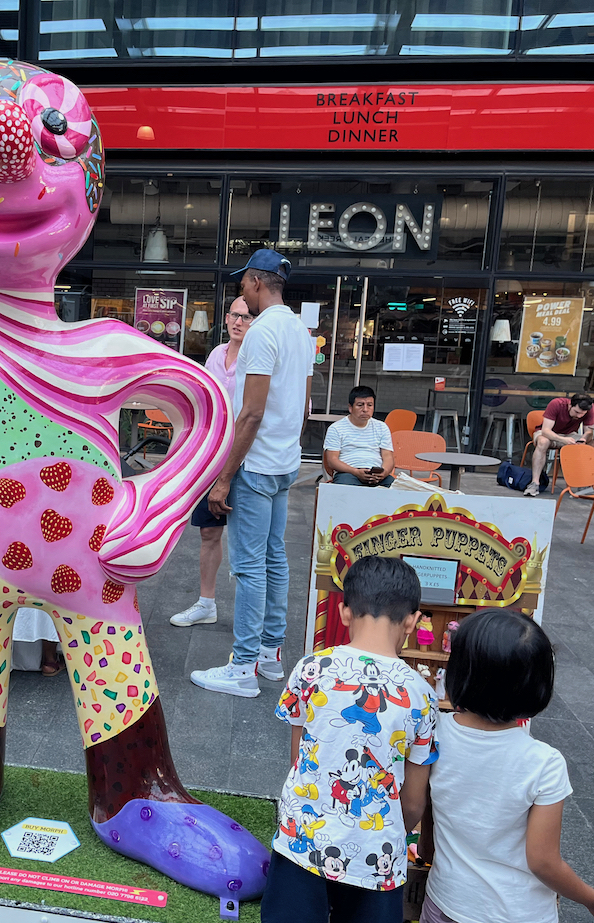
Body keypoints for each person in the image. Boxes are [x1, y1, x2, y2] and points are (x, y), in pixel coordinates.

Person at [261, 556, 438, 923]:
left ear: (343, 613)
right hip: (378, 856)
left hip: (302, 841)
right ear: (411, 620)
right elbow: (415, 802)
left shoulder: (311, 669)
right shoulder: (422, 695)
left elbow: (300, 758)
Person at [190, 249, 313, 697]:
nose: (241, 289)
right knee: (275, 559)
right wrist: (292, 449)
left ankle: (243, 667)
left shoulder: (262, 333)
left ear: (258, 283)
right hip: (285, 463)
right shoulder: (300, 330)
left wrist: (225, 475)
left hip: (257, 464)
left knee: (249, 567)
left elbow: (251, 414)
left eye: (244, 283)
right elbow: (304, 405)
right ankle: (270, 654)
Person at [420, 608, 594, 923]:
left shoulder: (435, 733)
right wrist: (589, 898)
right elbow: (542, 861)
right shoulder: (544, 763)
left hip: (446, 901)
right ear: (539, 685)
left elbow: (427, 809)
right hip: (518, 912)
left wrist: (426, 849)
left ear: (458, 672)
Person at [170, 296, 252, 627]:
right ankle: (206, 603)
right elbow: (206, 398)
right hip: (216, 452)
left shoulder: (257, 355)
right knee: (208, 531)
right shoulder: (217, 354)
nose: (237, 321)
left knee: (248, 537)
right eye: (234, 314)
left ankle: (250, 615)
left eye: (245, 317)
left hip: (248, 455)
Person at [524, 392, 594, 497]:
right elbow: (545, 431)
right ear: (570, 405)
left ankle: (585, 483)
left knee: (591, 443)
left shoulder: (589, 408)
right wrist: (562, 440)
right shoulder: (556, 404)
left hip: (570, 435)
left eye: (582, 414)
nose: (579, 416)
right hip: (550, 433)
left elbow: (589, 432)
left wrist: (583, 439)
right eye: (576, 412)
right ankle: (534, 483)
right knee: (543, 442)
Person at [324, 385, 395, 487]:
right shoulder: (336, 428)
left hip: (376, 474)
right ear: (350, 408)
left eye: (369, 405)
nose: (365, 409)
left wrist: (384, 473)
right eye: (360, 405)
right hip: (348, 473)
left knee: (396, 490)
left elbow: (388, 457)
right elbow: (332, 460)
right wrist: (355, 471)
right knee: (348, 491)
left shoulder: (382, 427)